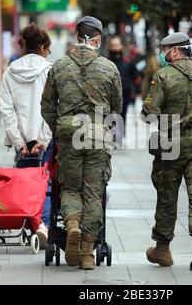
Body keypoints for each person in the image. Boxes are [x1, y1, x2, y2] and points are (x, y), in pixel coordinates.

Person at [41, 16, 122, 270]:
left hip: (68, 136)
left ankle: (72, 225)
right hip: (97, 136)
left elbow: (46, 106)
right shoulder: (109, 68)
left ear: (78, 38)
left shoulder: (59, 66)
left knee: (70, 188)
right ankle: (87, 251)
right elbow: (116, 107)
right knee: (94, 193)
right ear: (97, 39)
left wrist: (60, 128)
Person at [141, 32, 192, 271]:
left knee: (167, 196)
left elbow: (149, 115)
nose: (163, 55)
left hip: (170, 143)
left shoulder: (163, 75)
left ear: (175, 51)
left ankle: (163, 250)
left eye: (165, 50)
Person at [0, 23, 53, 248]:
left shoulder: (10, 71)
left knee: (24, 182)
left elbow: (7, 110)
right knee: (46, 181)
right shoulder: (51, 70)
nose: (49, 52)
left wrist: (20, 142)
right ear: (42, 46)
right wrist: (43, 139)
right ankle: (44, 225)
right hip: (46, 139)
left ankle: (27, 222)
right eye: (48, 48)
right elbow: (53, 108)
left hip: (21, 140)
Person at [107, 36, 139, 146]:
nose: (115, 47)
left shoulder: (128, 61)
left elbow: (136, 77)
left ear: (121, 46)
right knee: (110, 116)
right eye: (113, 45)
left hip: (125, 95)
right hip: (108, 95)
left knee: (122, 116)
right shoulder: (106, 62)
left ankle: (120, 138)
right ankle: (111, 137)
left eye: (117, 45)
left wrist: (137, 92)